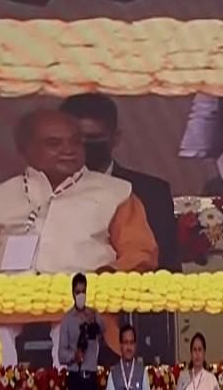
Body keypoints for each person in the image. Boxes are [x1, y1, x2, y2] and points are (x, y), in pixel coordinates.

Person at [0, 109, 159, 365]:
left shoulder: (115, 193)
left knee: (75, 330)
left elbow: (140, 252)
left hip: (82, 300)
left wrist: (106, 278)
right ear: (25, 148)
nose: (68, 150)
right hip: (3, 303)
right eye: (54, 143)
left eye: (75, 142)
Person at [60, 93, 177, 268]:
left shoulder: (152, 193)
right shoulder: (36, 192)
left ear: (115, 138)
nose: (83, 147)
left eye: (93, 139)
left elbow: (167, 269)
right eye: (76, 139)